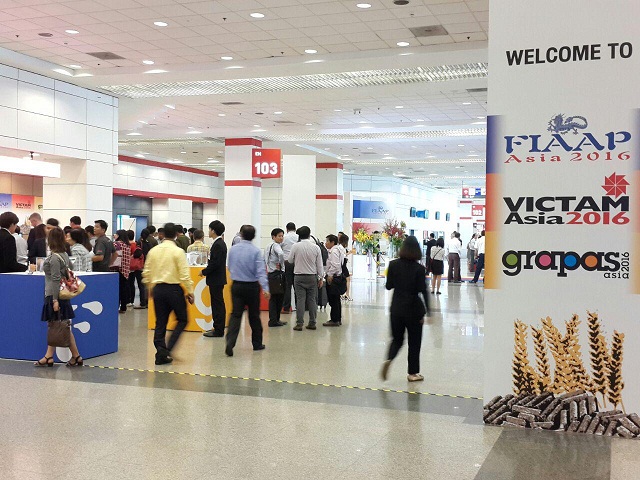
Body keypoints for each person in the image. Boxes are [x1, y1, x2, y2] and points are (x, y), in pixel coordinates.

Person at [142, 223, 194, 365]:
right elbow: (184, 274)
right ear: (176, 235)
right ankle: (167, 349)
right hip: (174, 290)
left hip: (158, 289)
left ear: (163, 234)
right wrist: (190, 291)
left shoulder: (154, 251)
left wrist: (149, 287)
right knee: (182, 319)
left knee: (160, 322)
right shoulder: (178, 252)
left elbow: (146, 272)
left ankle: (161, 351)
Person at [381, 236, 429, 382]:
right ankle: (412, 373)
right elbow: (423, 290)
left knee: (397, 339)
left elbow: (388, 286)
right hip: (414, 310)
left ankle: (389, 358)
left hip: (396, 308)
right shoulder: (420, 269)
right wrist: (429, 311)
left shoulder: (393, 265)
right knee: (414, 342)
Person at [35, 227, 83, 367]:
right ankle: (68, 356)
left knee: (56, 325)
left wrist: (55, 300)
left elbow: (55, 279)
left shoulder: (54, 257)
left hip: (54, 295)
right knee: (59, 325)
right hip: (62, 295)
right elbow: (69, 269)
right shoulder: (64, 255)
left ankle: (55, 356)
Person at [225, 225, 270, 356]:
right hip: (252, 287)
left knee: (236, 315)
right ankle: (257, 343)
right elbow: (261, 271)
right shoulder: (256, 251)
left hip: (237, 285)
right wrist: (265, 288)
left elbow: (229, 267)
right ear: (253, 236)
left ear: (241, 234)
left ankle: (230, 342)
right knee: (254, 315)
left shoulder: (233, 249)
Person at [289, 226, 324, 331]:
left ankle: (299, 324)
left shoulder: (295, 246)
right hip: (312, 277)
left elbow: (290, 260)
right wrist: (321, 278)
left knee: (300, 300)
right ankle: (312, 322)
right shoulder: (316, 247)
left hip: (299, 277)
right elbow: (319, 265)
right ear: (309, 234)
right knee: (312, 300)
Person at [201, 220, 227, 338]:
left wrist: (204, 272)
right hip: (217, 279)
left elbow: (215, 263)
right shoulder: (219, 243)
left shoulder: (218, 245)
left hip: (216, 279)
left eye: (210, 229)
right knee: (217, 303)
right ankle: (217, 327)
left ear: (213, 230)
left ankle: (218, 329)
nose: (208, 231)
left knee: (217, 304)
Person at [264, 228, 287, 327]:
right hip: (277, 274)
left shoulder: (268, 246)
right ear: (273, 237)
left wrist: (270, 265)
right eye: (279, 236)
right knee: (279, 298)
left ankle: (275, 319)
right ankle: (274, 320)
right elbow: (281, 254)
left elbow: (265, 259)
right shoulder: (276, 246)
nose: (281, 238)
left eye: (282, 236)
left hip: (270, 274)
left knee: (273, 298)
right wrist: (281, 264)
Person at [323, 234, 345, 327]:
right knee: (336, 300)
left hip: (334, 278)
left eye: (327, 241)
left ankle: (334, 320)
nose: (326, 243)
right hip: (337, 276)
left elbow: (335, 265)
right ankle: (337, 319)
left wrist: (330, 274)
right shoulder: (338, 250)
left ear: (332, 242)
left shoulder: (334, 251)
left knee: (333, 300)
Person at [112, 230, 131, 313]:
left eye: (115, 234)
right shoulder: (127, 245)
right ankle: (123, 307)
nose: (114, 235)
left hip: (117, 269)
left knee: (117, 290)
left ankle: (115, 307)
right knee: (123, 290)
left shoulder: (116, 244)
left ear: (119, 235)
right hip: (125, 270)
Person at [281, 222, 298, 313]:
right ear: (295, 229)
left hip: (287, 263)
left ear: (286, 229)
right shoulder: (298, 237)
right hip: (297, 263)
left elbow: (280, 250)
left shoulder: (284, 238)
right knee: (297, 286)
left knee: (287, 286)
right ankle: (299, 307)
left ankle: (286, 308)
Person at [128, 230, 146, 309]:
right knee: (141, 285)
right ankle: (143, 302)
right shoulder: (138, 244)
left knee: (131, 284)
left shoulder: (128, 245)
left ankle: (131, 301)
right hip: (139, 267)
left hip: (131, 267)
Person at [339, 234, 353, 302]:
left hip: (343, 265)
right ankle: (346, 294)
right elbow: (343, 256)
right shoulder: (341, 248)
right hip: (343, 265)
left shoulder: (341, 247)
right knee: (347, 279)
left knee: (346, 279)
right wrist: (348, 253)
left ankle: (345, 294)